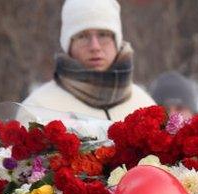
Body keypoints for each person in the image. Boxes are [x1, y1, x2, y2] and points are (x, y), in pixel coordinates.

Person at [22, 0, 155, 122]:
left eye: (103, 34)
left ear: (117, 41)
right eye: (82, 36)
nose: (95, 46)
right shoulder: (38, 108)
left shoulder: (145, 106)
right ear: (68, 45)